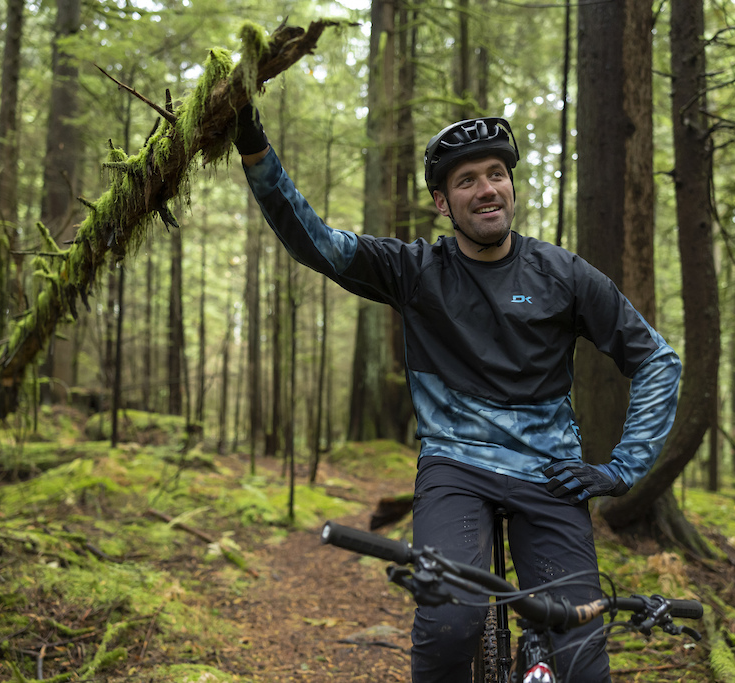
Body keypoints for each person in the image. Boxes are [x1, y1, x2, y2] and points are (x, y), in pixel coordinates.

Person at [232, 107, 681, 682]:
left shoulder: (562, 273)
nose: (486, 189)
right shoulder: (415, 270)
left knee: (580, 663)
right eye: (466, 180)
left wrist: (623, 469)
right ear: (444, 204)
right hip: (454, 466)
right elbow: (315, 241)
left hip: (553, 472)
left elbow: (657, 360)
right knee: (448, 628)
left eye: (496, 173)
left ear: (512, 185)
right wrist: (254, 147)